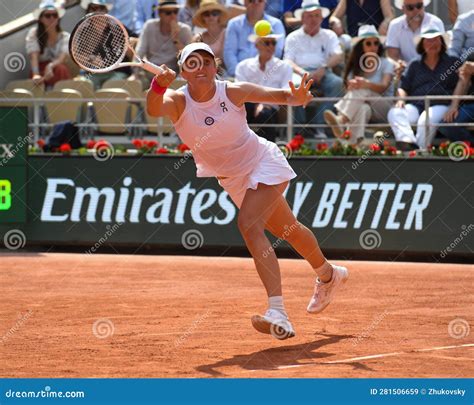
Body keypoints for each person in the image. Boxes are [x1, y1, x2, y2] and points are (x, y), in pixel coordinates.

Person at [147, 42, 349, 339]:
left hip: (263, 162)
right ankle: (329, 275)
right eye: (192, 63)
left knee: (248, 224)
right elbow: (153, 109)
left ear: (215, 67)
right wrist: (157, 86)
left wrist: (296, 98)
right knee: (289, 230)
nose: (200, 67)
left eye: (206, 61)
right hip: (233, 179)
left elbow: (279, 96)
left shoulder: (232, 91)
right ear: (183, 71)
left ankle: (277, 311)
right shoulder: (177, 101)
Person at [387, 26, 459, 149]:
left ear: (441, 42)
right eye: (428, 40)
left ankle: (420, 151)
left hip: (441, 105)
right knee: (395, 112)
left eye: (436, 39)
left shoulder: (452, 61)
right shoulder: (414, 64)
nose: (432, 43)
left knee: (426, 119)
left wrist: (454, 105)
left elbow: (463, 82)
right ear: (422, 44)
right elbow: (404, 87)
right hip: (416, 105)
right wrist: (401, 99)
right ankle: (408, 143)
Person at [324, 25, 395, 143]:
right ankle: (354, 145)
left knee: (363, 89)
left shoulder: (386, 63)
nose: (373, 47)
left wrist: (366, 84)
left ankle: (341, 120)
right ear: (361, 46)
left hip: (385, 108)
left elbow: (383, 87)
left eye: (376, 43)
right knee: (363, 108)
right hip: (366, 107)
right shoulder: (354, 68)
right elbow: (351, 94)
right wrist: (352, 87)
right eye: (368, 43)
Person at [283, 0, 344, 138]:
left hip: (323, 71)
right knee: (296, 86)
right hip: (300, 72)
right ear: (302, 18)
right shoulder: (293, 37)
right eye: (309, 15)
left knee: (337, 84)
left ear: (322, 17)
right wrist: (303, 72)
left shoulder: (329, 35)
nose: (313, 19)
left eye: (317, 15)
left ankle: (319, 125)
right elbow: (287, 60)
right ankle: (300, 128)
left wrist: (323, 67)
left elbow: (338, 55)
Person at [235, 31, 293, 141]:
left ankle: (268, 153)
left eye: (273, 43)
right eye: (267, 42)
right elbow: (240, 92)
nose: (271, 46)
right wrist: (258, 103)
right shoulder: (243, 66)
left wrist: (263, 103)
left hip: (272, 110)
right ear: (257, 45)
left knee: (264, 114)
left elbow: (287, 92)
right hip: (247, 108)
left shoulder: (285, 67)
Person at [132, 0, 192, 81]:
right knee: (132, 84)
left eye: (175, 12)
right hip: (150, 73)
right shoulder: (149, 26)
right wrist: (135, 73)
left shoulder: (185, 30)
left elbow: (189, 58)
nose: (173, 15)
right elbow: (140, 51)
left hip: (174, 75)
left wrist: (176, 39)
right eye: (168, 12)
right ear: (159, 14)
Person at [223, 0, 285, 77]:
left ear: (265, 2)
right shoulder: (233, 24)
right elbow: (229, 53)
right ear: (244, 2)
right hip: (238, 76)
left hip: (267, 75)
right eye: (251, 0)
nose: (256, 2)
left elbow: (276, 52)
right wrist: (238, 74)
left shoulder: (276, 24)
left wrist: (261, 74)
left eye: (260, 0)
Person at [386, 0, 444, 78]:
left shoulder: (436, 22)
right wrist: (399, 65)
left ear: (423, 6)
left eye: (419, 6)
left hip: (433, 73)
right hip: (405, 75)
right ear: (403, 9)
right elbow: (392, 56)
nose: (416, 10)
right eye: (410, 7)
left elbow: (442, 52)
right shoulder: (395, 25)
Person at [26, 0, 71, 88]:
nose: (52, 18)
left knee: (61, 69)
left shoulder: (65, 36)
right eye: (47, 15)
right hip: (40, 71)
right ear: (41, 19)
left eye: (55, 15)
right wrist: (36, 74)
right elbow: (33, 57)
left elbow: (62, 58)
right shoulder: (33, 34)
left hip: (58, 71)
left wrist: (50, 66)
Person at [442, 60, 474, 142]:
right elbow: (463, 80)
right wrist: (454, 106)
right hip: (470, 105)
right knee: (447, 124)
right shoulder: (472, 55)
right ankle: (470, 148)